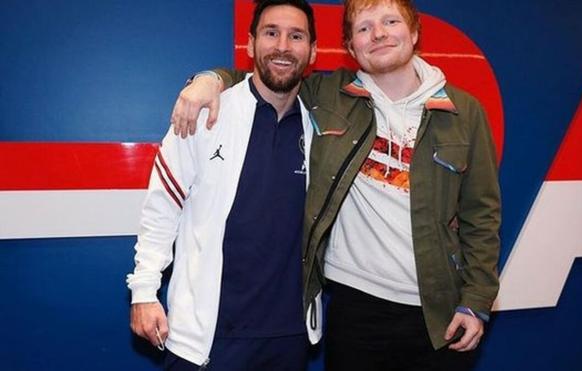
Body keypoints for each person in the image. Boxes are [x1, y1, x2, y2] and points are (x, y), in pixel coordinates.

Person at [171, 0, 501, 370]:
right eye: (364, 28)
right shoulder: (328, 94)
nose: (378, 34)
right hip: (353, 307)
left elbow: (482, 216)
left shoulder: (465, 112)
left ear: (414, 32)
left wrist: (477, 299)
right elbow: (268, 76)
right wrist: (208, 80)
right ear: (349, 46)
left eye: (390, 21)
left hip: (438, 311)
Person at [126, 1, 322, 370]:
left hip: (289, 337)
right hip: (206, 339)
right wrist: (144, 291)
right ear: (250, 44)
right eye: (271, 33)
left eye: (296, 36)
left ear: (312, 51)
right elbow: (162, 207)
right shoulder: (203, 113)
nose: (282, 46)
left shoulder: (322, 127)